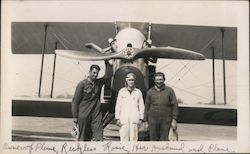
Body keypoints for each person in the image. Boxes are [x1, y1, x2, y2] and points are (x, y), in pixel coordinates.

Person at [71, 60, 112, 141]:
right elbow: (75, 101)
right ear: (89, 72)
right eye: (94, 72)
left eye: (97, 73)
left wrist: (106, 61)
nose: (95, 75)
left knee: (98, 136)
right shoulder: (81, 84)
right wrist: (75, 116)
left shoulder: (98, 83)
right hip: (84, 114)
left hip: (96, 114)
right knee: (83, 138)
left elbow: (108, 76)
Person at [144, 72, 179, 141]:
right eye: (157, 80)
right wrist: (145, 121)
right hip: (153, 121)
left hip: (166, 121)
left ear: (164, 80)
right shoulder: (150, 91)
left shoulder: (169, 91)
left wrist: (174, 120)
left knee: (164, 140)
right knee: (153, 140)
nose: (159, 82)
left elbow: (175, 105)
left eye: (160, 80)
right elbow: (146, 107)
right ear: (154, 80)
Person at [115, 73, 145, 141]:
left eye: (132, 80)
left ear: (134, 81)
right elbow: (118, 105)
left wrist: (141, 118)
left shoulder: (138, 92)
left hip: (134, 119)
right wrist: (117, 118)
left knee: (134, 139)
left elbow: (141, 106)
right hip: (124, 119)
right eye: (129, 80)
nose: (131, 82)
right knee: (123, 139)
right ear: (126, 81)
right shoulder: (122, 91)